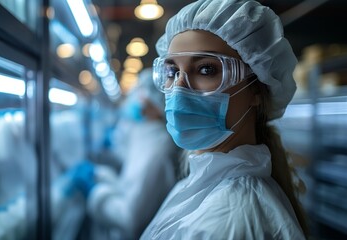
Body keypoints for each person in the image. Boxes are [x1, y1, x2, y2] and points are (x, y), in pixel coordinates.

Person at [140, 0, 308, 239]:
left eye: (206, 70)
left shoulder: (232, 219)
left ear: (257, 91)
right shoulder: (197, 187)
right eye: (172, 72)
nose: (178, 88)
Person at [69, 68, 182, 240]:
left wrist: (94, 192)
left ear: (155, 105)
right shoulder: (146, 134)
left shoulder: (159, 149)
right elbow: (128, 185)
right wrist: (100, 175)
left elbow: (130, 219)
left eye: (140, 95)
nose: (134, 100)